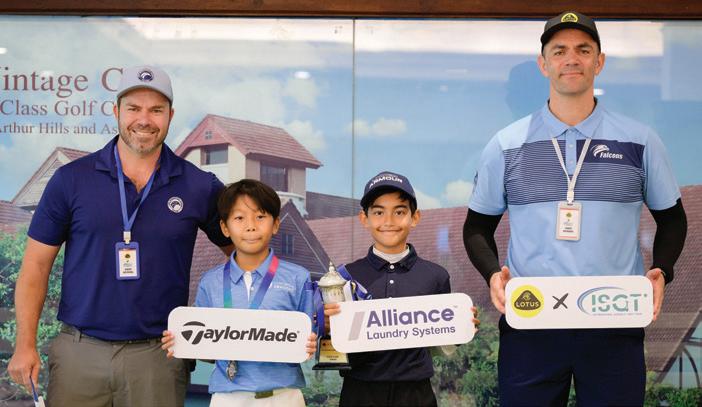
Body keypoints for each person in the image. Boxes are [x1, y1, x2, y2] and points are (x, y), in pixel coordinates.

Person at [463, 11, 687, 406]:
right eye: (560, 50)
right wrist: (492, 275)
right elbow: (477, 227)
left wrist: (662, 271)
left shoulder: (640, 141)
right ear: (543, 64)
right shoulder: (506, 144)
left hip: (613, 320)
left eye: (584, 50)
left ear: (599, 62)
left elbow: (672, 220)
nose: (572, 59)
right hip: (532, 318)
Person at [8, 65, 234, 406]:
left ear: (170, 116)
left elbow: (245, 256)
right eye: (133, 108)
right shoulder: (71, 180)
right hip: (79, 354)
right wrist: (25, 345)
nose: (144, 119)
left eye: (156, 110)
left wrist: (229, 329)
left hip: (158, 358)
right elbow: (35, 268)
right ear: (116, 112)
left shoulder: (199, 186)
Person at [325, 171, 479, 407]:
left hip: (416, 393)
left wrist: (462, 326)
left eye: (399, 212)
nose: (389, 221)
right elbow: (331, 343)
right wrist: (327, 327)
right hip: (359, 392)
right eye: (378, 212)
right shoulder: (344, 277)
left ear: (414, 217)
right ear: (364, 218)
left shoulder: (436, 276)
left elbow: (442, 344)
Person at [162, 179, 317, 406]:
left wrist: (310, 343)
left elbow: (307, 339)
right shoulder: (211, 282)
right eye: (239, 218)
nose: (251, 226)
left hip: (284, 396)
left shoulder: (298, 278)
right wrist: (182, 342)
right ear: (225, 228)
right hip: (228, 398)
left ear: (275, 224)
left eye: (260, 217)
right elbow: (206, 347)